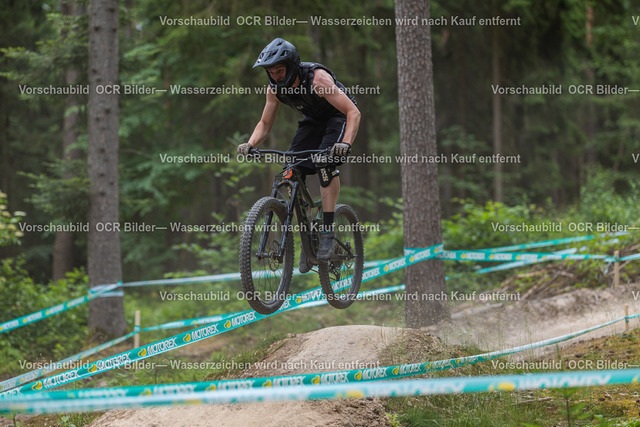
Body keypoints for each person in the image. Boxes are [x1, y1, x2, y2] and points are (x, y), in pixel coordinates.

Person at [238, 37, 360, 273]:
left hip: (339, 117)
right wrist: (250, 144)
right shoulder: (274, 89)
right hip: (312, 122)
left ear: (292, 65)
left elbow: (353, 112)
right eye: (271, 72)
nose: (275, 76)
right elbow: (265, 123)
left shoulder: (317, 80)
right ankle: (308, 235)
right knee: (291, 172)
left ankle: (327, 230)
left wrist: (345, 143)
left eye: (280, 70)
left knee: (324, 163)